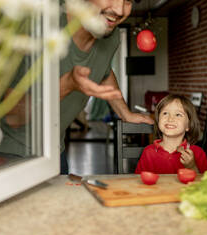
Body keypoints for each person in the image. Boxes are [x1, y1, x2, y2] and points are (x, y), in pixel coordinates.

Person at [59, 0, 153, 174]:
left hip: (55, 149)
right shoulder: (43, 19)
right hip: (8, 156)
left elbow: (104, 69)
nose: (119, 9)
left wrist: (125, 113)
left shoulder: (111, 36)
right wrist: (68, 84)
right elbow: (14, 115)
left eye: (128, 1)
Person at [135, 94, 207, 174]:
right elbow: (139, 182)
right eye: (165, 113)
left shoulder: (198, 153)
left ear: (188, 125)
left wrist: (191, 166)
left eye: (178, 114)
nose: (170, 119)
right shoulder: (148, 152)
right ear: (158, 120)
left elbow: (206, 184)